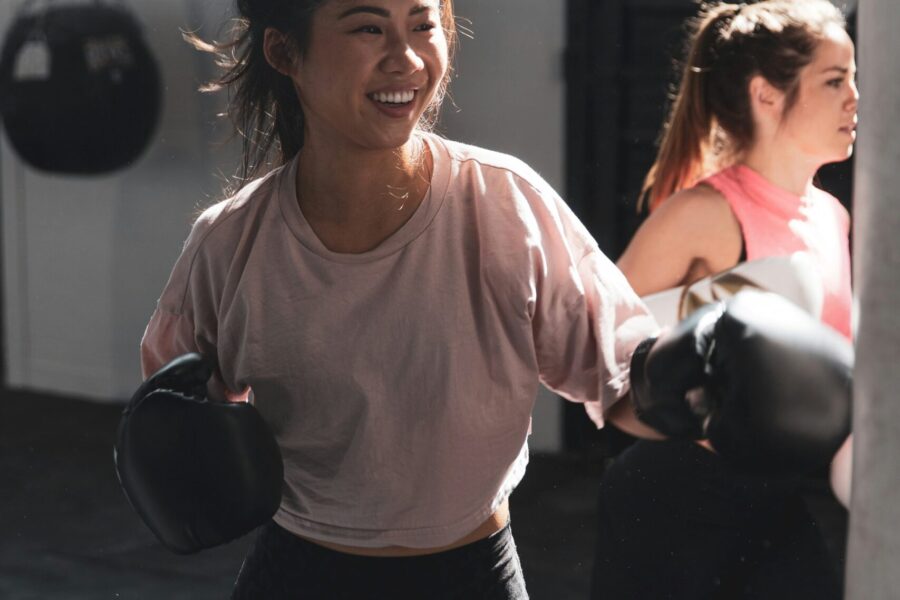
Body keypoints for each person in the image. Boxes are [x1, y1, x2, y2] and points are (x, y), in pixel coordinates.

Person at [136, 0, 659, 597]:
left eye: (423, 25)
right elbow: (169, 410)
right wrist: (184, 455)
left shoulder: (505, 207)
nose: (405, 58)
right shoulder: (231, 241)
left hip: (472, 576)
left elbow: (623, 378)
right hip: (298, 575)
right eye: (368, 27)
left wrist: (691, 380)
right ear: (284, 51)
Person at [590, 1, 857, 598]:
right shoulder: (704, 214)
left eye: (854, 79)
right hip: (672, 496)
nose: (854, 99)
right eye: (835, 81)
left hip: (776, 494)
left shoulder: (831, 217)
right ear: (766, 94)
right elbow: (592, 352)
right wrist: (678, 389)